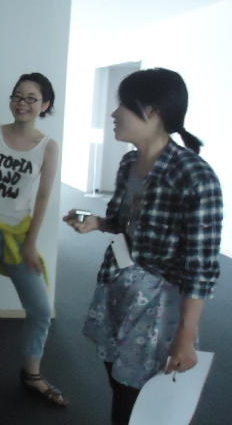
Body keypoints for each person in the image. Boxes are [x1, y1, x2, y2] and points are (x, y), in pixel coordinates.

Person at [63, 68, 223, 425]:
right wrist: (95, 222)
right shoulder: (129, 163)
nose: (113, 113)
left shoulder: (194, 176)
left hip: (158, 308)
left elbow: (201, 269)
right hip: (120, 288)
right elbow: (121, 222)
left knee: (136, 398)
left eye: (123, 104)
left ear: (152, 112)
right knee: (116, 376)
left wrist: (186, 336)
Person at [0, 72, 67, 406]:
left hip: (18, 233)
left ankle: (31, 373)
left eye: (31, 98)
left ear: (45, 105)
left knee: (41, 308)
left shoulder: (49, 147)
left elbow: (43, 198)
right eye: (18, 96)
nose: (22, 103)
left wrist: (31, 243)